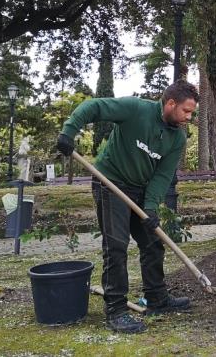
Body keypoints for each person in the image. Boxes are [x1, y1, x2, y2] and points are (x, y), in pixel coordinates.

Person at [55, 80, 199, 334]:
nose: (189, 116)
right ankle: (116, 310)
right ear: (170, 103)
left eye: (191, 112)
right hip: (110, 183)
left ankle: (157, 299)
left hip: (140, 190)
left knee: (153, 242)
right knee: (117, 246)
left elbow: (162, 176)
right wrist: (69, 131)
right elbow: (95, 106)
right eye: (186, 111)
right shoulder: (135, 109)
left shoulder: (177, 137)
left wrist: (151, 208)